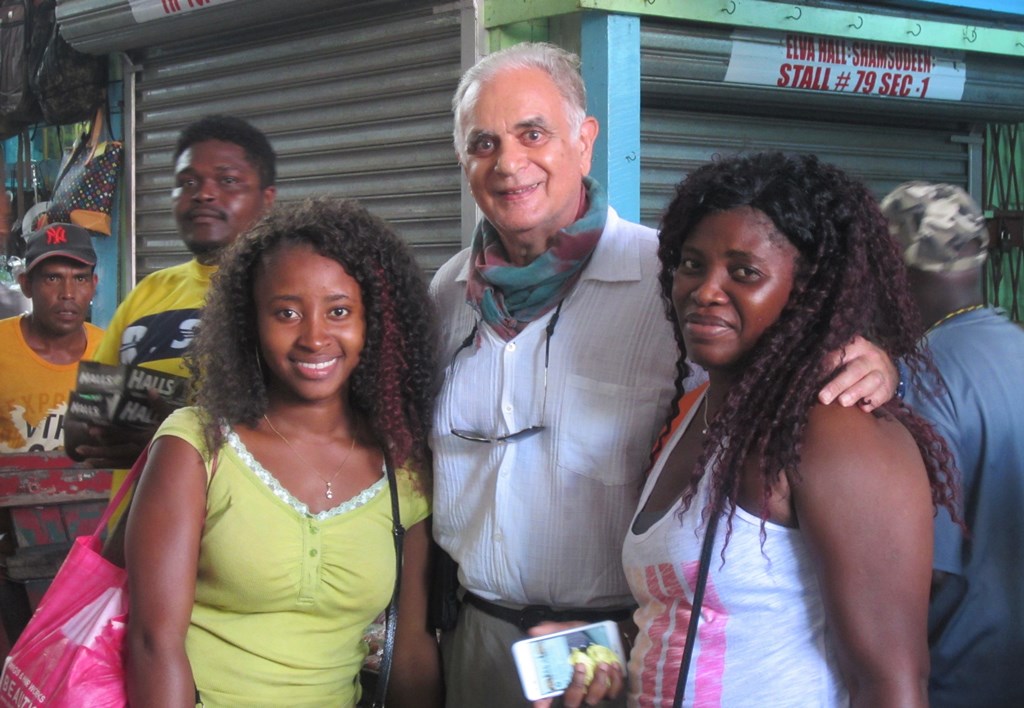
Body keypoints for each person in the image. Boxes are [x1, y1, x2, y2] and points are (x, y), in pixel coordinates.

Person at [430, 42, 900, 708]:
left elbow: (792, 353)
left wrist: (872, 359)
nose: (509, 164)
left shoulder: (673, 279)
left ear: (584, 141)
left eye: (532, 134)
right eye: (484, 143)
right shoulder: (445, 295)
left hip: (625, 648)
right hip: (475, 637)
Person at [546, 152, 959, 708]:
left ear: (807, 290)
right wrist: (599, 652)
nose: (705, 289)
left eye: (745, 273)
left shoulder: (837, 432)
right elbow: (697, 619)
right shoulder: (693, 409)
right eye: (692, 265)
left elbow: (893, 686)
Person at [125, 197, 442, 707]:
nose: (314, 337)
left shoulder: (401, 467)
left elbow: (410, 653)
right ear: (251, 323)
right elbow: (153, 643)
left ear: (374, 324)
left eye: (339, 311)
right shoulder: (196, 446)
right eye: (287, 313)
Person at [881, 182, 1024, 708]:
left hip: (960, 679)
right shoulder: (1019, 346)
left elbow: (925, 571)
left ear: (894, 270)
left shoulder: (918, 379)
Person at [66, 114, 277, 468]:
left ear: (267, 198)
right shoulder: (149, 293)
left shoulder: (286, 296)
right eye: (187, 182)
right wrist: (107, 436)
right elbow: (79, 424)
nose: (204, 194)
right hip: (134, 519)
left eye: (228, 180)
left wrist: (171, 446)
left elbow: (309, 435)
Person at [0, 222, 102, 451]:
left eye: (80, 279)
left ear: (93, 284)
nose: (68, 293)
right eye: (53, 278)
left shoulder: (110, 351)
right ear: (27, 285)